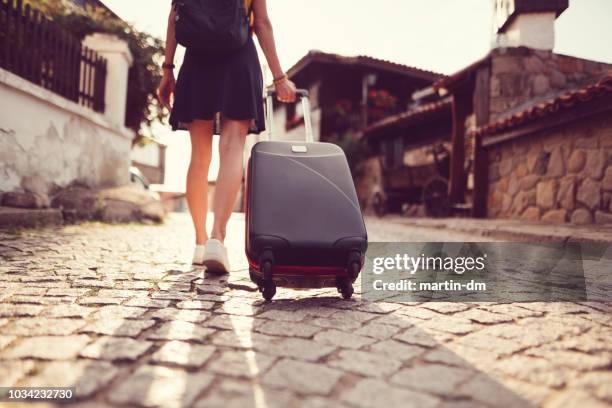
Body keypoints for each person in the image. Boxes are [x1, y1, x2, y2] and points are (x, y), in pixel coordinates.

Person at [157, 0, 296, 273]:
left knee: (199, 156)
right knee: (232, 148)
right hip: (239, 57)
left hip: (197, 60)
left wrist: (167, 69)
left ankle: (200, 243)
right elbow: (262, 22)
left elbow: (175, 16)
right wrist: (280, 78)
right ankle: (217, 239)